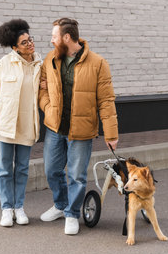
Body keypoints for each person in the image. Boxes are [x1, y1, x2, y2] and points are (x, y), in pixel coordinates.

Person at [39, 18, 118, 235]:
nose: (51, 40)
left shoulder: (98, 63)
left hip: (81, 130)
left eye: (54, 36)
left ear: (66, 38)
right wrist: (47, 107)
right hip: (55, 127)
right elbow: (42, 88)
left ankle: (72, 213)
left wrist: (111, 132)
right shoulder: (51, 58)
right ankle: (60, 204)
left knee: (76, 175)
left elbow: (106, 101)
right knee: (52, 170)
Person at [0, 19, 41, 227]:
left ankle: (19, 207)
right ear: (15, 47)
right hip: (4, 125)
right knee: (5, 169)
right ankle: (6, 209)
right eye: (24, 43)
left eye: (30, 40)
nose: (29, 44)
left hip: (27, 125)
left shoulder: (39, 65)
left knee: (22, 168)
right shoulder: (4, 64)